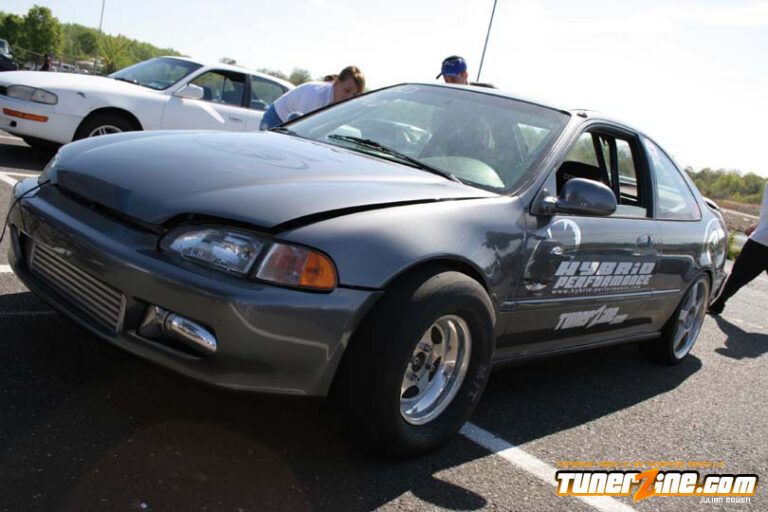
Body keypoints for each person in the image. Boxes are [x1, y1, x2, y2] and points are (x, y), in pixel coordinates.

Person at [708, 182, 768, 315]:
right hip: (760, 240)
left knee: (737, 277)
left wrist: (758, 226)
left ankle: (718, 304)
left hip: (760, 240)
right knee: (737, 277)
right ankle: (718, 303)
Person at [259, 66, 365, 131]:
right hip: (276, 118)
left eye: (355, 95)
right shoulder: (315, 95)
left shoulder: (344, 106)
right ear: (337, 83)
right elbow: (300, 127)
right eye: (347, 90)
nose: (349, 97)